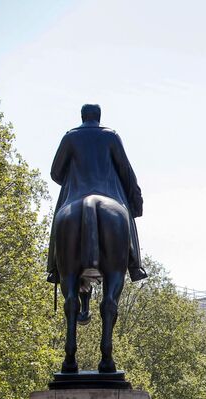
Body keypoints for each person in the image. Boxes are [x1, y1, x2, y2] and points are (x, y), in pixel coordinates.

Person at [46, 103, 147, 285]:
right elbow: (126, 171)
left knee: (58, 220)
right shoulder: (111, 136)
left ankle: (54, 267)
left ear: (82, 117)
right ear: (98, 117)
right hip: (109, 193)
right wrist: (135, 199)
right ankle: (135, 265)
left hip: (75, 194)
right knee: (126, 219)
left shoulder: (70, 137)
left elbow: (55, 172)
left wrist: (73, 181)